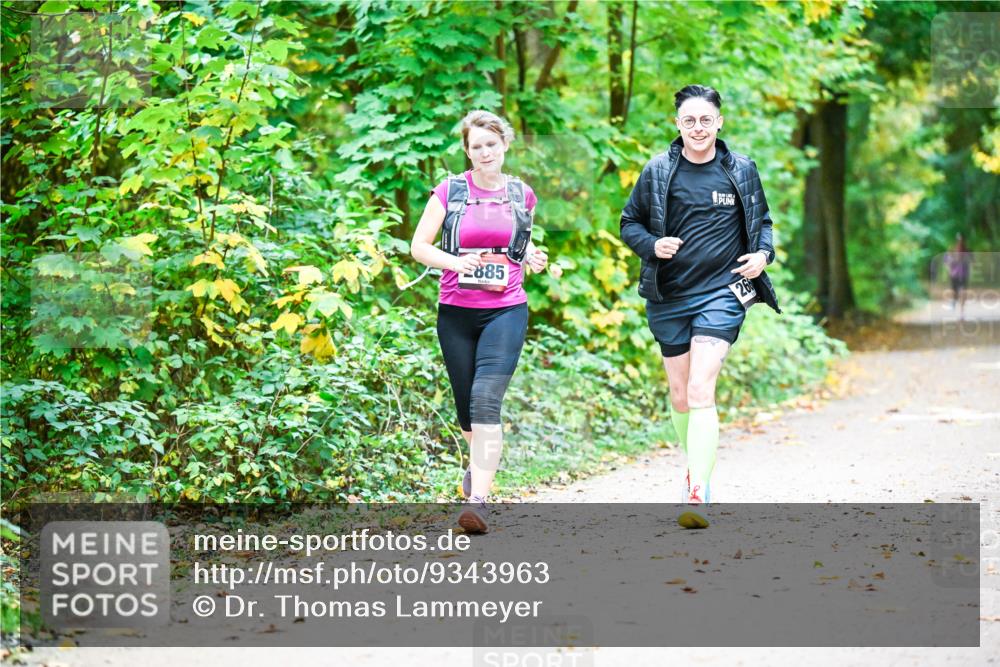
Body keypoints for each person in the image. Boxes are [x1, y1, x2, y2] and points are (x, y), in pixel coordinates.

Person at [619, 84, 781, 527]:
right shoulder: (657, 172)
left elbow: (763, 222)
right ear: (677, 124)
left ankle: (696, 489)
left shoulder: (741, 170)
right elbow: (629, 222)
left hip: (723, 293)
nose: (697, 128)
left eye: (705, 120)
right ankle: (697, 468)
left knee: (699, 388)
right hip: (669, 295)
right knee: (679, 393)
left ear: (719, 122)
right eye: (689, 120)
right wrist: (653, 244)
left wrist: (762, 256)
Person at [411, 110, 548, 534]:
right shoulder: (450, 191)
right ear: (467, 152)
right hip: (455, 311)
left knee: (486, 399)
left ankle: (478, 503)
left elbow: (516, 249)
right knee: (466, 409)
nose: (485, 152)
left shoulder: (521, 194)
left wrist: (532, 258)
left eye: (492, 144)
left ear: (505, 145)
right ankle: (478, 468)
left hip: (507, 308)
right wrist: (457, 262)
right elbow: (419, 246)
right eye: (476, 146)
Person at [944, 233, 971, 320]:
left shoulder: (968, 251)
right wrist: (950, 270)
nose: (960, 242)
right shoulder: (951, 251)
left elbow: (972, 262)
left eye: (961, 240)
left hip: (963, 275)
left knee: (963, 293)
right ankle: (954, 302)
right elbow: (946, 262)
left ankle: (962, 313)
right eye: (958, 240)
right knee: (955, 292)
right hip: (954, 275)